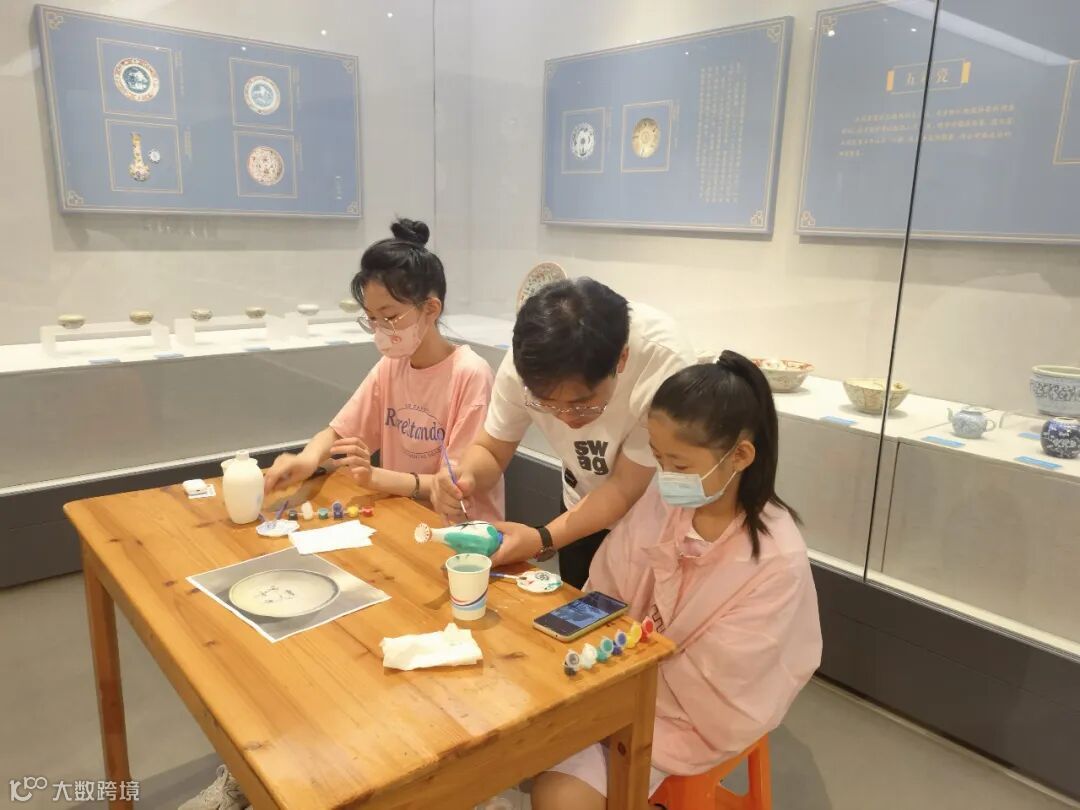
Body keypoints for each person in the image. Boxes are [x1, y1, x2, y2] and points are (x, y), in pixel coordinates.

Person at [180, 218, 503, 810]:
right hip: (396, 528)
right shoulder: (391, 368)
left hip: (456, 546)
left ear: (430, 309)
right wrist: (305, 460)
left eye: (391, 317)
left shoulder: (469, 374)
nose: (381, 331)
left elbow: (454, 488)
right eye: (371, 319)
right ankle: (276, 769)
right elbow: (340, 427)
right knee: (325, 641)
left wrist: (378, 478)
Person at [531, 351, 822, 810]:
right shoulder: (668, 500)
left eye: (680, 465)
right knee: (522, 738)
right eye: (659, 458)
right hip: (623, 679)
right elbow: (609, 584)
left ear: (740, 456)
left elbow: (723, 686)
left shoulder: (775, 560)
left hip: (686, 717)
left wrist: (622, 677)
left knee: (560, 794)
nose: (665, 476)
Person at [431, 277, 696, 588]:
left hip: (653, 519)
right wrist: (465, 478)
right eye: (547, 404)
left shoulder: (663, 363)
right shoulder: (527, 362)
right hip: (579, 506)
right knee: (576, 603)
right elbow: (491, 449)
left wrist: (543, 538)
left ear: (621, 359)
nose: (567, 419)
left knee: (636, 613)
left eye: (582, 404)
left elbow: (624, 487)